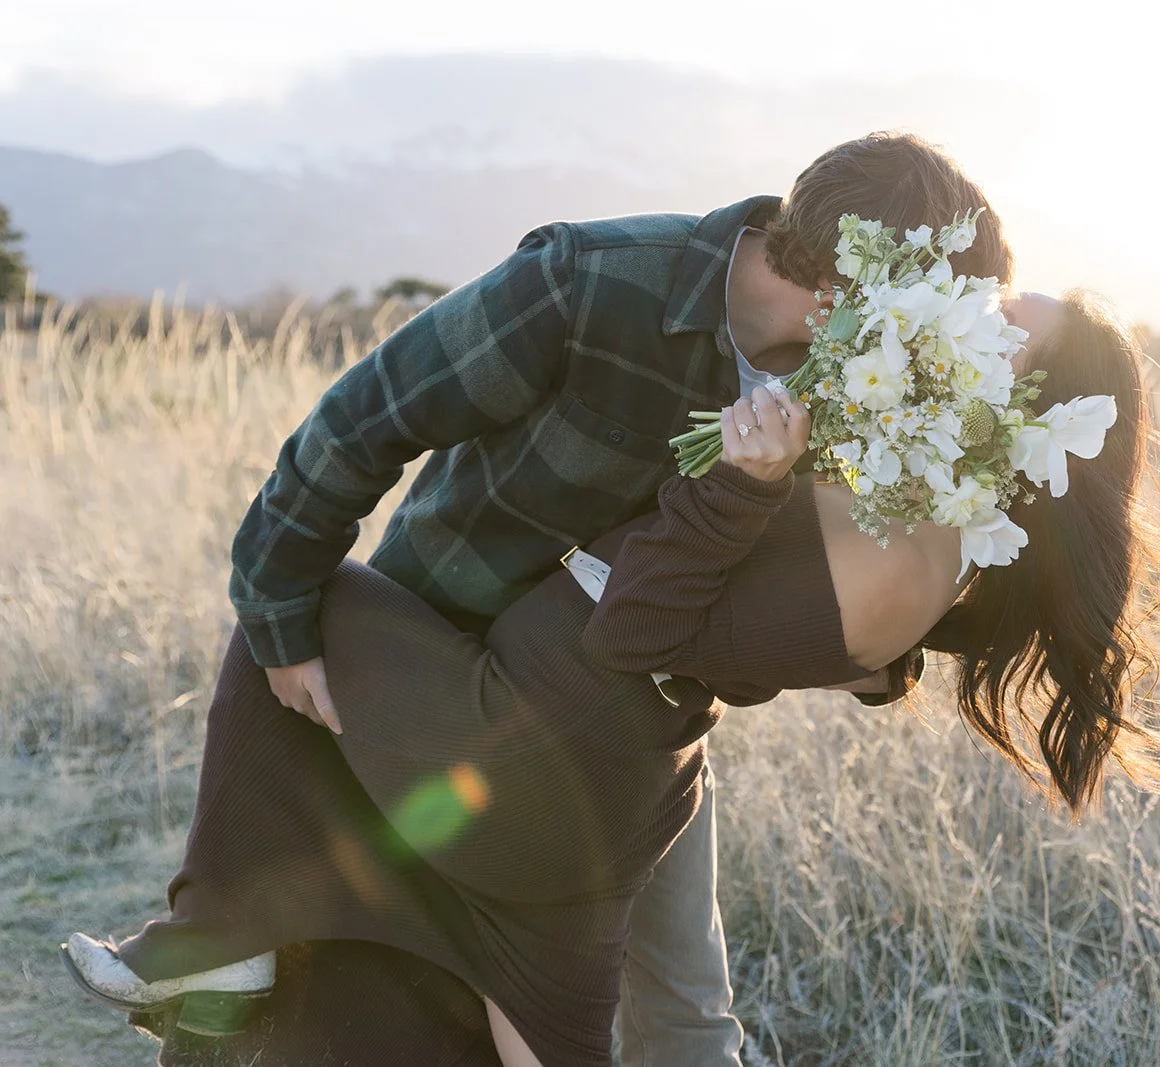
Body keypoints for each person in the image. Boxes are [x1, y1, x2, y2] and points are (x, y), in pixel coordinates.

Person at [63, 290, 1160, 1066]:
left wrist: (744, 484)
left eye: (1006, 328)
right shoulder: (933, 511)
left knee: (287, 597)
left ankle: (217, 937)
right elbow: (775, 635)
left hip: (562, 724)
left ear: (1026, 407)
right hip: (645, 757)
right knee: (644, 1025)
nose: (977, 316)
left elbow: (638, 624)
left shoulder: (911, 546)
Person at [196, 130, 1012, 1067]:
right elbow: (359, 423)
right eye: (931, 309)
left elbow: (814, 591)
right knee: (424, 983)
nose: (931, 343)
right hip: (458, 676)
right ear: (851, 285)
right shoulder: (589, 279)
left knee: (686, 1012)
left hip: (645, 725)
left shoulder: (860, 388)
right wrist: (281, 622)